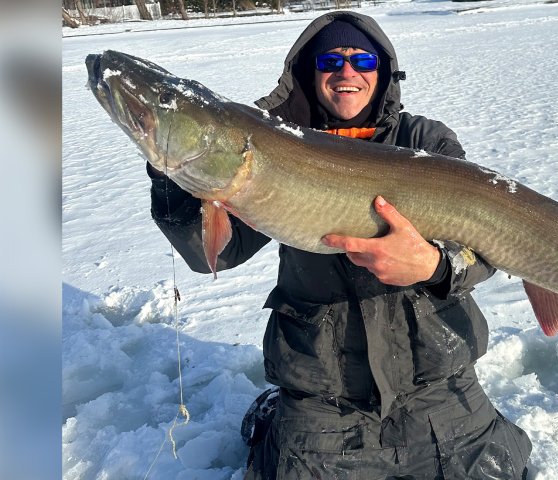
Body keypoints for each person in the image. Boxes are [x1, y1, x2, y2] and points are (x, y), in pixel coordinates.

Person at [148, 11, 532, 480]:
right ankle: (274, 425)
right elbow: (215, 252)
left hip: (436, 384)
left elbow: (491, 247)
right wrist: (174, 181)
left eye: (362, 60)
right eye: (330, 59)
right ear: (310, 73)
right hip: (323, 397)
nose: (346, 72)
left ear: (383, 72)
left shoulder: (425, 141)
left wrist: (433, 265)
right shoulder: (275, 147)